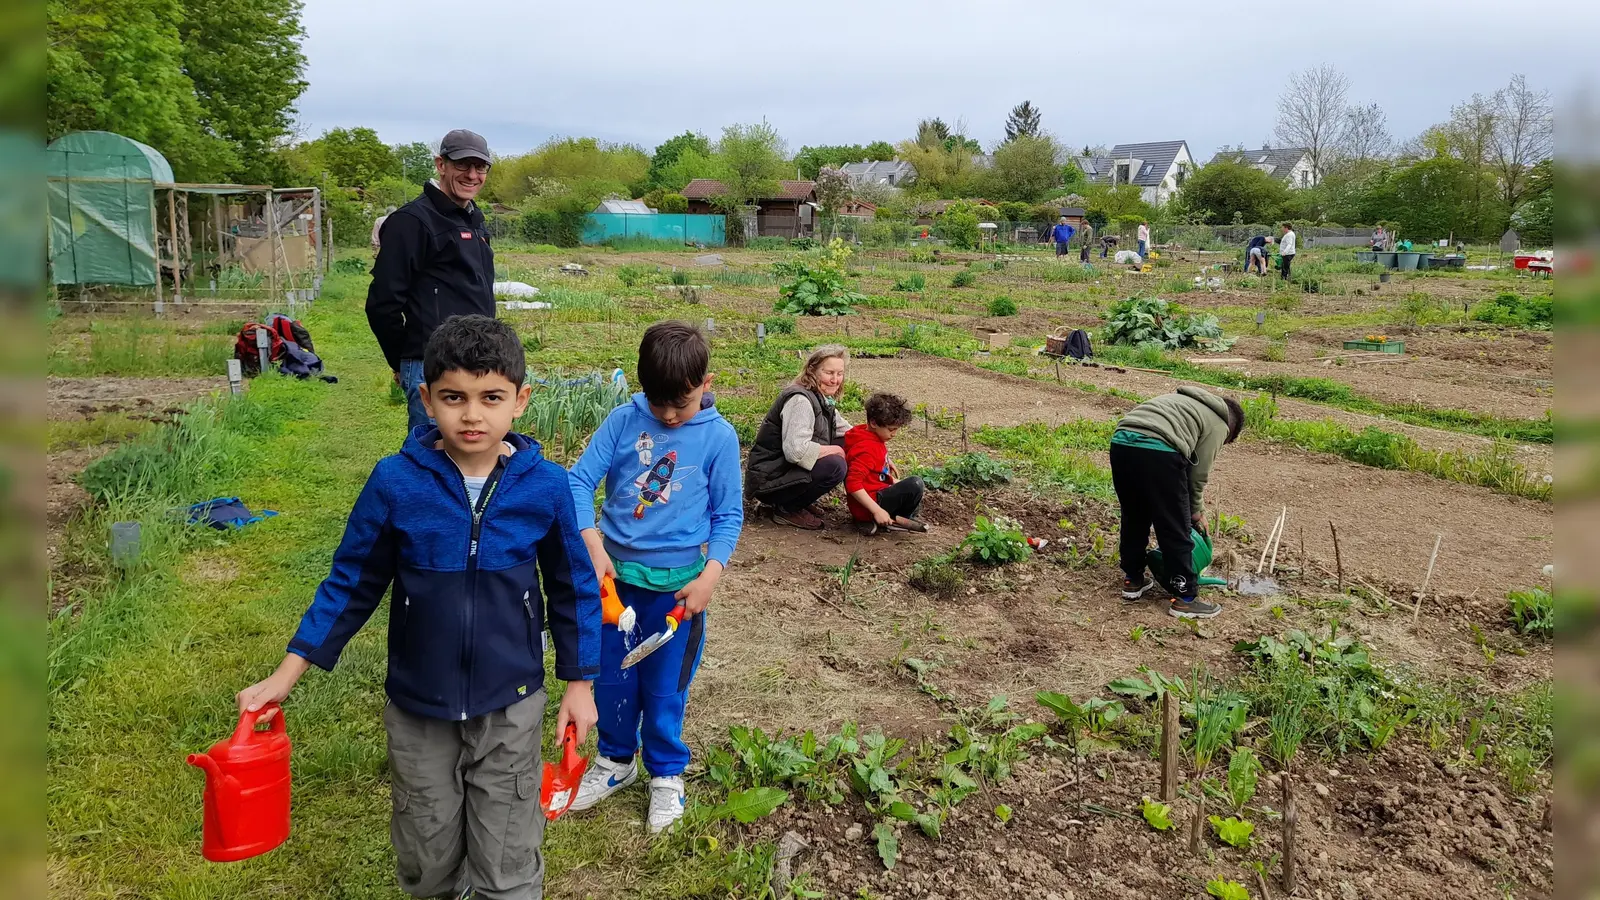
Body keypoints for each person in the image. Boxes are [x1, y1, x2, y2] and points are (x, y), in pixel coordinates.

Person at [234, 315, 600, 899]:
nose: (472, 415)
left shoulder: (547, 488)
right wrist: (289, 670)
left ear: (521, 401)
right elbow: (351, 581)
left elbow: (574, 588)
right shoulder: (395, 483)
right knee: (427, 853)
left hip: (512, 705)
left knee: (506, 857)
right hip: (418, 707)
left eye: (491, 398)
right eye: (454, 397)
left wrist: (580, 683)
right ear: (426, 400)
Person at [565, 321, 744, 834]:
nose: (667, 414)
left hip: (678, 592)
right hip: (614, 586)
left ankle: (666, 774)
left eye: (680, 404)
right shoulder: (624, 422)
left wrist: (711, 574)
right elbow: (578, 481)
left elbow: (729, 515)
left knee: (665, 687)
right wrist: (591, 538)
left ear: (706, 382)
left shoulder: (718, 437)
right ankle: (616, 761)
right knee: (613, 678)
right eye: (658, 402)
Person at [367, 129, 496, 435]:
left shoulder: (473, 220)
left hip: (477, 359)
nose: (472, 175)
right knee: (433, 457)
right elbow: (382, 303)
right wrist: (401, 360)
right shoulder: (412, 222)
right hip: (434, 363)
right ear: (441, 164)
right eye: (463, 165)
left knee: (471, 457)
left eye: (481, 168)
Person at [1109, 386, 1244, 620]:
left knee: (1135, 514)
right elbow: (1197, 474)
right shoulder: (1220, 423)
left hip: (1121, 442)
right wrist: (1195, 512)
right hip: (1159, 450)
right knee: (1174, 525)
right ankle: (1185, 598)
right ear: (1231, 429)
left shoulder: (1183, 402)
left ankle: (1133, 579)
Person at [745, 345, 852, 530]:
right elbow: (795, 452)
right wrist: (837, 450)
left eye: (840, 373)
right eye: (829, 373)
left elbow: (849, 431)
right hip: (769, 480)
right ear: (813, 371)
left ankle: (797, 500)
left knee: (848, 443)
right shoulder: (800, 401)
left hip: (784, 473)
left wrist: (877, 449)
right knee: (835, 465)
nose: (835, 380)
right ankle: (786, 508)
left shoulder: (821, 399)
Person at [844, 392, 928, 536]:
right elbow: (853, 483)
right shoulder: (868, 450)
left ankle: (879, 518)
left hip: (869, 498)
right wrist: (877, 510)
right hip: (871, 503)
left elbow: (869, 465)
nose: (894, 434)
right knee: (915, 484)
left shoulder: (862, 432)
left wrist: (886, 460)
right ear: (874, 423)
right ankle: (890, 519)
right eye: (891, 429)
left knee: (909, 489)